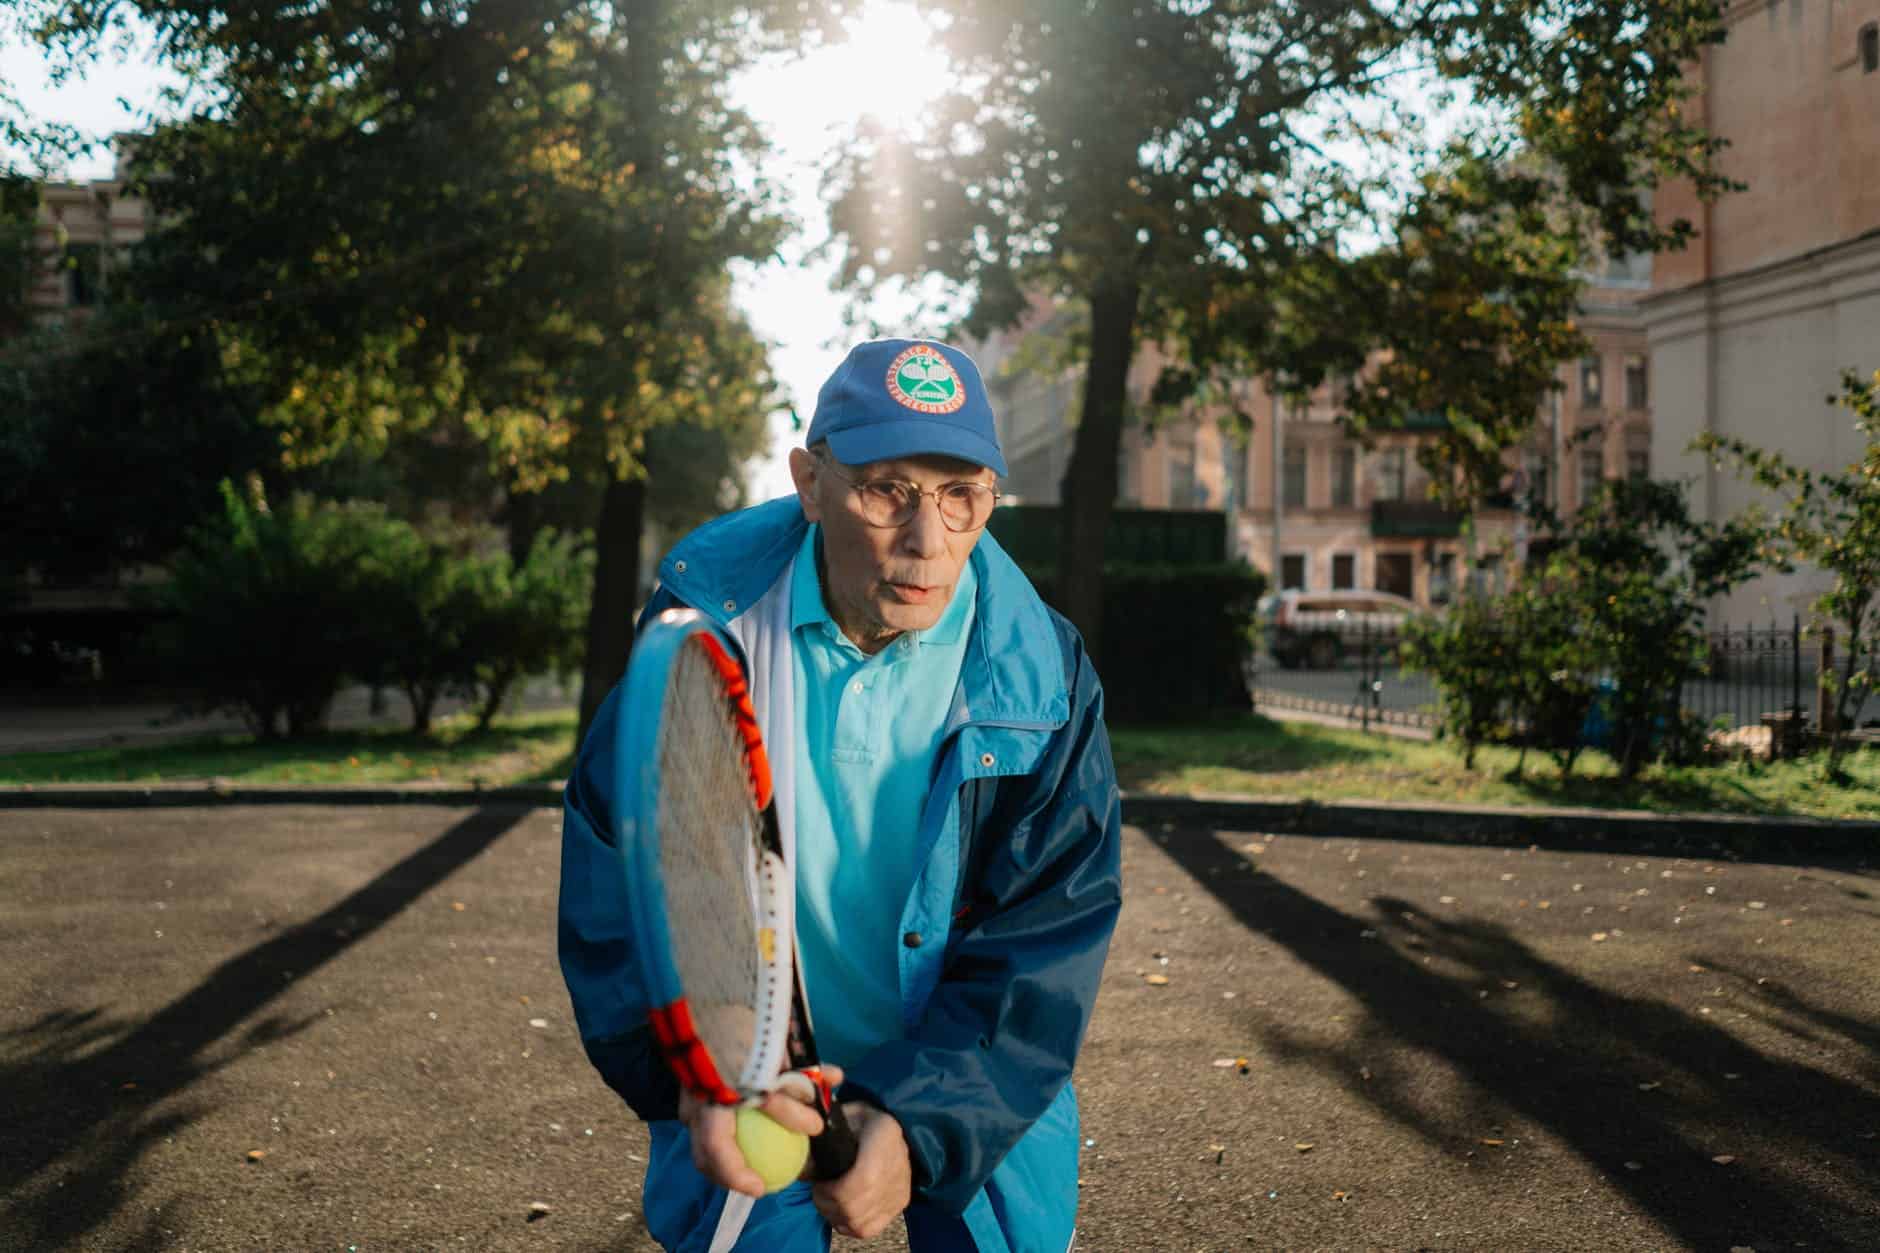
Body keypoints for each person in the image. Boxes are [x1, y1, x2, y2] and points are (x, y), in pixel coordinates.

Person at [558, 337, 1123, 1253]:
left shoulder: (1042, 675)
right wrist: (700, 1068)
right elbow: (616, 888)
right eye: (886, 488)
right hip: (757, 1070)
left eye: (960, 495)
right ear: (811, 482)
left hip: (969, 1059)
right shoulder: (707, 636)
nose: (926, 539)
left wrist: (918, 1122)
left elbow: (1045, 939)